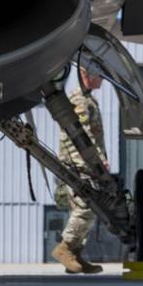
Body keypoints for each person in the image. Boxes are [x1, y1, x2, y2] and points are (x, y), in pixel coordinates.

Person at [51, 67, 108, 274]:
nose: (102, 81)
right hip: (78, 164)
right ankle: (65, 248)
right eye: (100, 76)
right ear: (86, 76)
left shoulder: (87, 99)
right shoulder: (80, 101)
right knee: (86, 207)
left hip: (84, 163)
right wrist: (94, 162)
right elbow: (78, 136)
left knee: (84, 209)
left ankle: (76, 254)